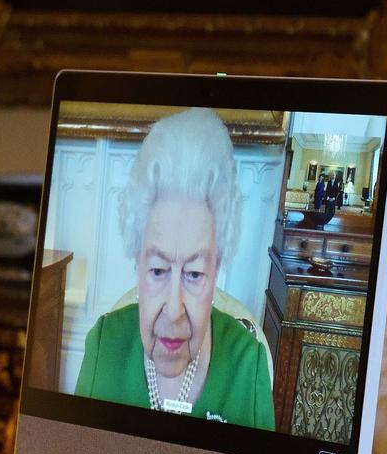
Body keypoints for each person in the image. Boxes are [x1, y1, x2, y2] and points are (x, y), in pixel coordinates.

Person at [75, 108, 275, 430]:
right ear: (137, 263)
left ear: (216, 269)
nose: (174, 310)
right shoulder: (104, 346)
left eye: (194, 273)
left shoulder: (247, 364)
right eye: (157, 270)